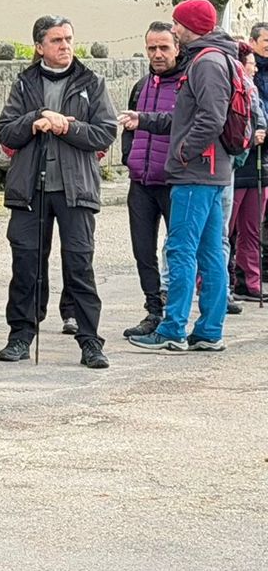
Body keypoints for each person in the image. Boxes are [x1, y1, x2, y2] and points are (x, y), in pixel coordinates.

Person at [0, 15, 117, 368]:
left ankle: (90, 341)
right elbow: (5, 131)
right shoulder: (24, 83)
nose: (65, 46)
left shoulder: (91, 82)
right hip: (30, 188)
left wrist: (66, 128)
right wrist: (35, 118)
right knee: (26, 264)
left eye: (68, 39)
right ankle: (20, 335)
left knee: (79, 264)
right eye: (56, 40)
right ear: (39, 46)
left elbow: (105, 132)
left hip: (76, 189)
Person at [120, 0, 238, 352]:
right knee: (210, 252)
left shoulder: (206, 63)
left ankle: (173, 328)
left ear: (191, 27)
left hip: (196, 173)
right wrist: (144, 120)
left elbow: (210, 119)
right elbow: (185, 118)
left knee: (181, 250)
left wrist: (184, 152)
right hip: (212, 171)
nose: (174, 29)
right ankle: (210, 331)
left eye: (177, 24)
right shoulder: (215, 58)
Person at [121, 22, 183, 337]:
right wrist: (128, 158)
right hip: (141, 183)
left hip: (174, 182)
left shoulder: (187, 84)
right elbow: (128, 126)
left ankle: (176, 314)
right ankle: (153, 311)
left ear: (177, 48)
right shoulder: (141, 85)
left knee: (179, 251)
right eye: (151, 48)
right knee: (143, 252)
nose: (157, 54)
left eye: (164, 47)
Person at [231, 33, 268, 302]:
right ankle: (219, 282)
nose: (254, 69)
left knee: (252, 229)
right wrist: (249, 138)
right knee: (226, 231)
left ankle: (249, 282)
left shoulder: (255, 92)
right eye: (250, 64)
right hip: (236, 168)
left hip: (258, 167)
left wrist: (262, 133)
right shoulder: (233, 91)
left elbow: (262, 121)